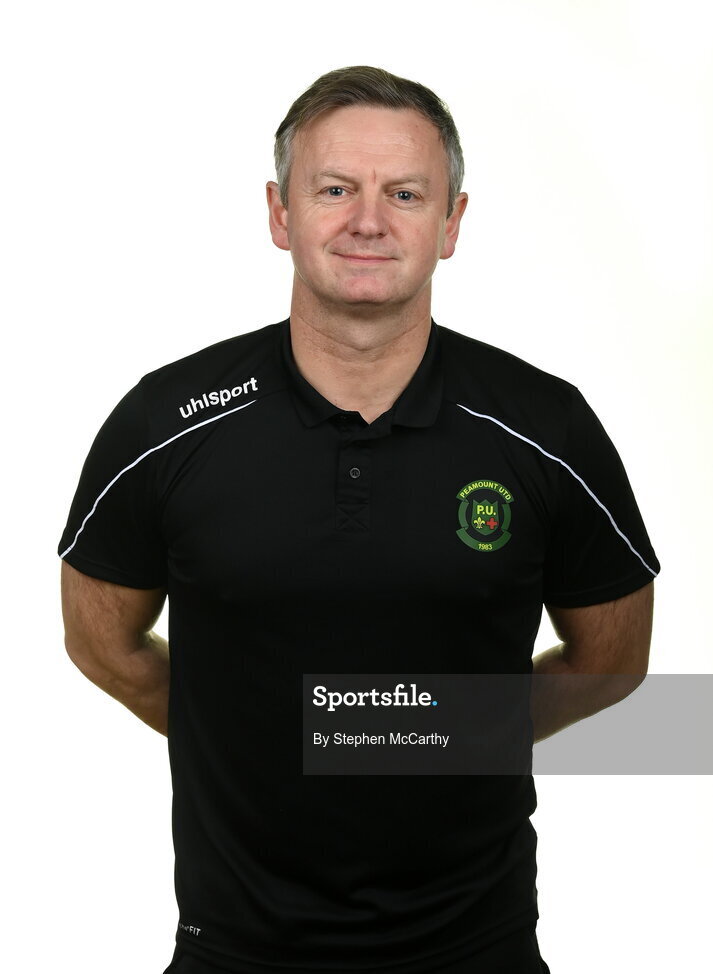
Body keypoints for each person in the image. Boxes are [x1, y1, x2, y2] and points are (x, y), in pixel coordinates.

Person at [58, 65, 659, 974]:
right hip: (233, 949)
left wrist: (391, 733)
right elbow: (103, 642)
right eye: (334, 188)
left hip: (477, 947)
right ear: (279, 213)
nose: (367, 220)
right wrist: (246, 737)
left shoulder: (545, 428)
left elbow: (609, 663)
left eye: (405, 193)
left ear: (450, 223)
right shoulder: (164, 423)